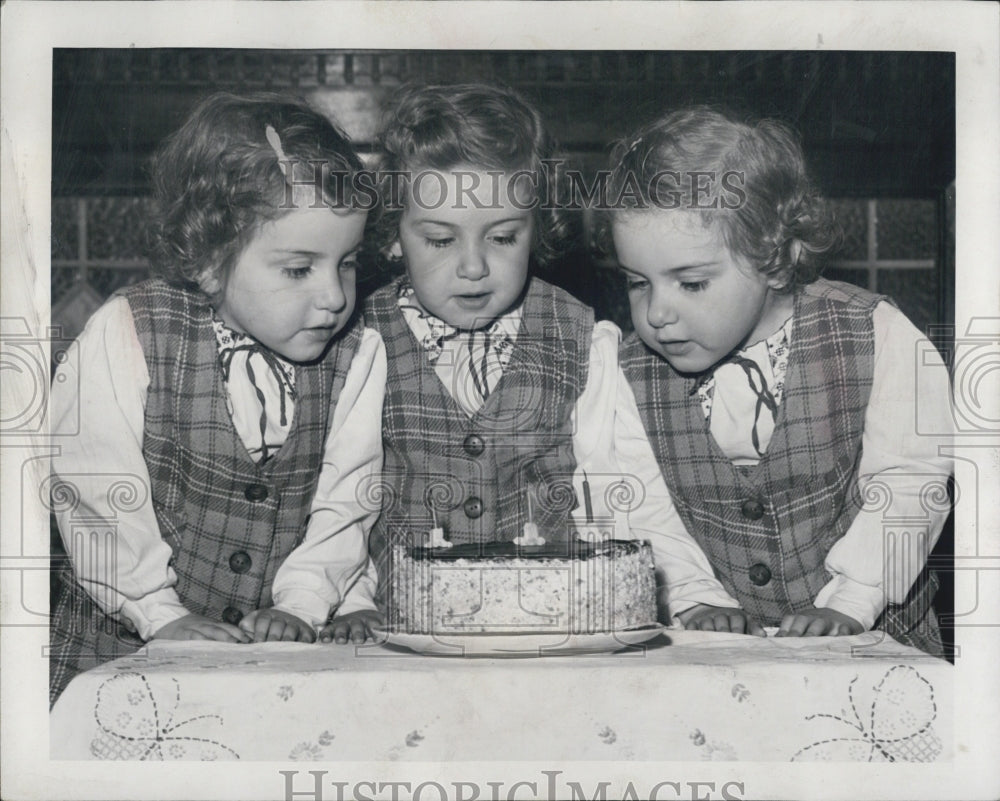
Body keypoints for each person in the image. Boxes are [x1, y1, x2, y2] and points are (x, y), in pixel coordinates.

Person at [327, 83, 736, 643]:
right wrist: (348, 598)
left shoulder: (585, 339)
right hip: (402, 627)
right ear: (395, 236)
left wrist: (693, 593)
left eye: (502, 236)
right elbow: (344, 493)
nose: (473, 267)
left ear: (537, 228)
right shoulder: (359, 341)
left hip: (552, 623)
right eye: (441, 241)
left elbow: (624, 487)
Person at [48, 92, 386, 704]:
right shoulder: (127, 332)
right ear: (209, 261)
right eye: (298, 269)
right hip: (119, 650)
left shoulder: (359, 354)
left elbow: (348, 503)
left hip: (270, 664)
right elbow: (92, 493)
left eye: (348, 263)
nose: (335, 296)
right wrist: (155, 611)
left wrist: (304, 606)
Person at [606, 106, 953, 654]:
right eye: (636, 283)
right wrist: (694, 595)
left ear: (774, 258)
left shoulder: (876, 333)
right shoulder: (625, 373)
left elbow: (912, 483)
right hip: (713, 658)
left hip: (879, 642)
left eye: (691, 283)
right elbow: (639, 503)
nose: (656, 314)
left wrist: (852, 600)